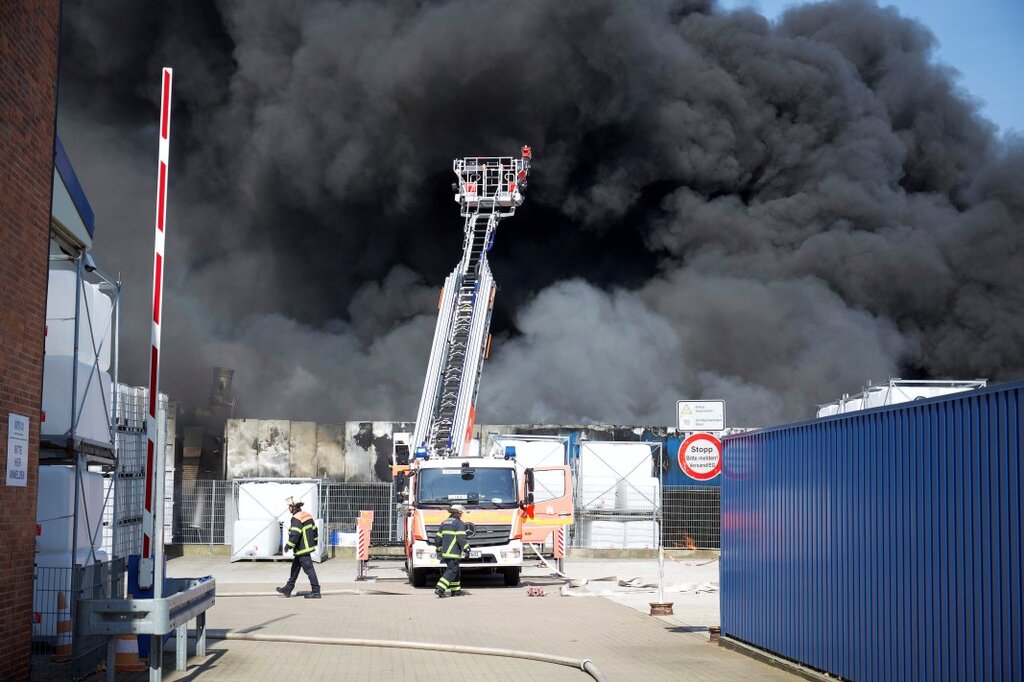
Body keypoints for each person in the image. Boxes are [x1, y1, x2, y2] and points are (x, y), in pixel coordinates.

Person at [276, 496, 321, 599]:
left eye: (290, 506)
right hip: (304, 548)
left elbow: (295, 534)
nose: (289, 509)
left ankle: (316, 591)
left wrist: (288, 546)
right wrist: (314, 542)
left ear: (295, 507)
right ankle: (288, 588)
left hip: (302, 549)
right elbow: (315, 530)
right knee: (295, 568)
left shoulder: (296, 518)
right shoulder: (307, 515)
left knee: (309, 570)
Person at [434, 504, 470, 597]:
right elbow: (461, 538)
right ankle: (440, 588)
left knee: (456, 571)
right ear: (458, 513)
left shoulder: (444, 523)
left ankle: (456, 591)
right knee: (452, 571)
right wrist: (467, 549)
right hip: (453, 553)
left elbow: (438, 538)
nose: (461, 515)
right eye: (461, 513)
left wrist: (439, 549)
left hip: (445, 553)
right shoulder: (459, 523)